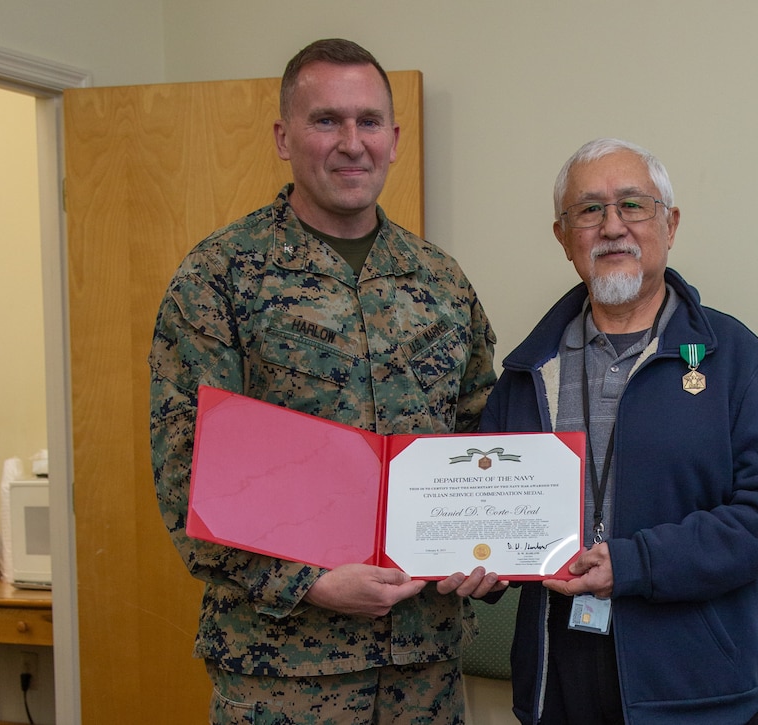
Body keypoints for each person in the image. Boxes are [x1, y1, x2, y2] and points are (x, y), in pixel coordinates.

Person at [149, 38, 500, 724]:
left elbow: (480, 434)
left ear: (395, 140)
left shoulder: (442, 282)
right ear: (284, 137)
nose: (351, 143)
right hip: (285, 670)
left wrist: (486, 553)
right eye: (326, 121)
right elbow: (186, 471)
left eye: (368, 122)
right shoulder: (219, 277)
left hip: (422, 666)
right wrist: (306, 582)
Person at [479, 138, 758, 725]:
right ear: (563, 238)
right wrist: (473, 566)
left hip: (695, 686)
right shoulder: (526, 373)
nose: (612, 227)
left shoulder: (736, 361)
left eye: (632, 205)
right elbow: (486, 514)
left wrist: (636, 563)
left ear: (670, 224)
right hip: (557, 678)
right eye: (589, 210)